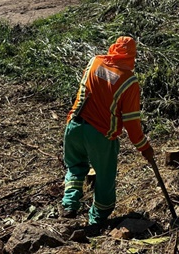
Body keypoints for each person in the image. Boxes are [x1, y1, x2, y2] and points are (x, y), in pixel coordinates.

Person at [61, 36, 155, 227]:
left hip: (74, 126)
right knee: (105, 179)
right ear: (132, 56)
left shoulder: (94, 62)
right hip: (100, 135)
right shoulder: (129, 82)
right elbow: (132, 124)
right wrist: (144, 147)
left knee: (75, 167)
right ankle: (96, 221)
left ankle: (69, 205)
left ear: (112, 49)